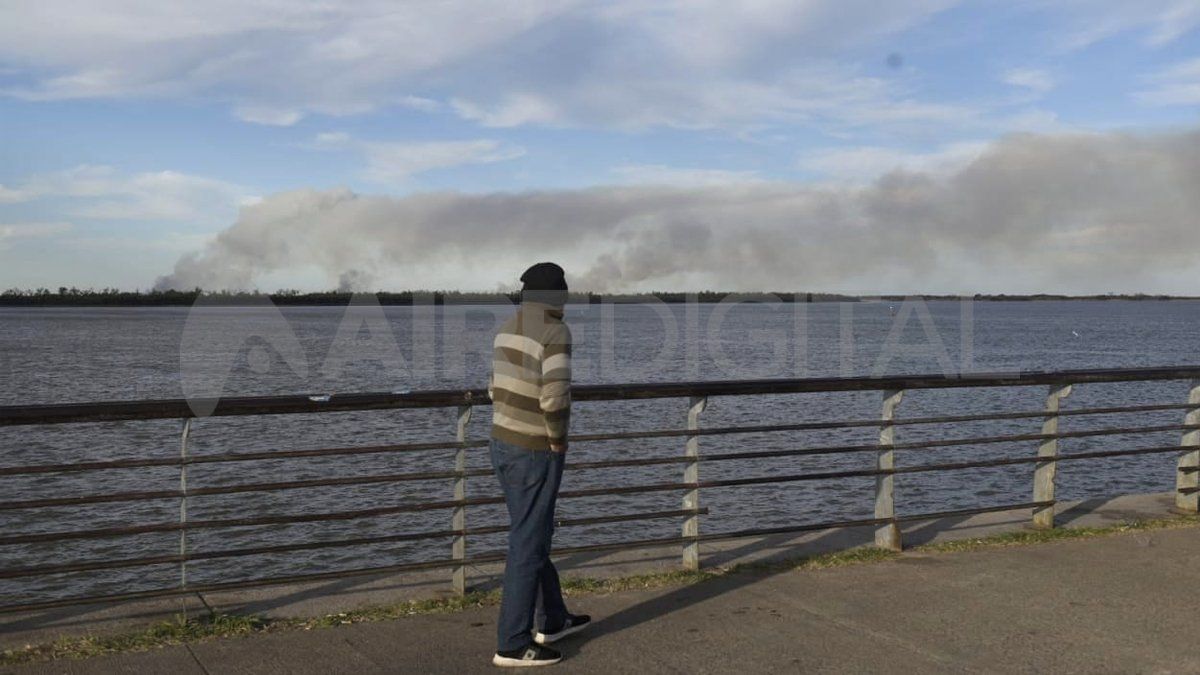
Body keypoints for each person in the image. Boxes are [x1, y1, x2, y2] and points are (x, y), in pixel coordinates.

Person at [487, 262, 590, 667]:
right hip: (534, 449)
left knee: (533, 530)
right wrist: (558, 440)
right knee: (528, 542)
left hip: (501, 442)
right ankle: (512, 642)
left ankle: (553, 617)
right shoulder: (554, 330)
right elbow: (555, 398)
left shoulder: (507, 327)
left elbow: (493, 386)